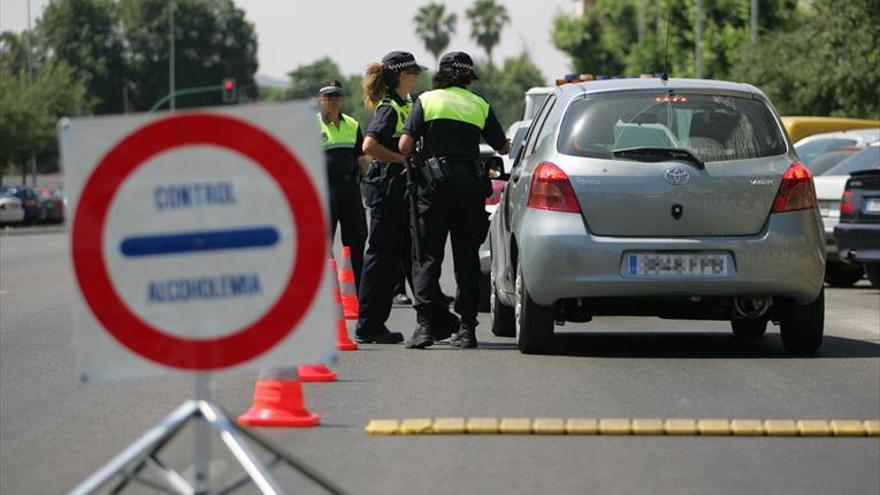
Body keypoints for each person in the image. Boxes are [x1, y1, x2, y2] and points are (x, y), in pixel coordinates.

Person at [400, 52, 510, 349]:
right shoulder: (480, 105)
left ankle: (425, 327)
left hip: (433, 189)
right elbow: (502, 144)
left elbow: (404, 145)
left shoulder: (427, 100)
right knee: (466, 260)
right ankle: (466, 329)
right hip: (470, 190)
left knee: (427, 258)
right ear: (466, 79)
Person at [354, 51, 431, 344]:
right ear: (402, 75)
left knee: (409, 253)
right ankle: (368, 325)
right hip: (386, 190)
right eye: (414, 72)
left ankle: (430, 316)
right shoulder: (389, 108)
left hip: (397, 191)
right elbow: (370, 144)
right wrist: (401, 160)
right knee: (381, 258)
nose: (417, 77)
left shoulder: (405, 104)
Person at [316, 80, 368, 290]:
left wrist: (370, 181)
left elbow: (361, 159)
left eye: (337, 97)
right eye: (328, 97)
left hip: (350, 188)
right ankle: (326, 287)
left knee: (357, 238)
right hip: (325, 189)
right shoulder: (312, 125)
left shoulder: (352, 125)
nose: (333, 101)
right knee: (323, 241)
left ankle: (359, 287)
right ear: (320, 100)